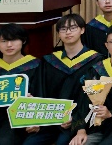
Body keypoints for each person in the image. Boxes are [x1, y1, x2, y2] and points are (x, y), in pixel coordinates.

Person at [27, 15, 103, 145]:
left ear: (82, 30)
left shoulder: (96, 61)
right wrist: (36, 119)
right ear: (58, 34)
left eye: (73, 28)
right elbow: (40, 91)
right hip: (49, 121)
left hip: (78, 122)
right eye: (63, 29)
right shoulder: (49, 61)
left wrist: (76, 121)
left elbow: (95, 98)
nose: (68, 32)